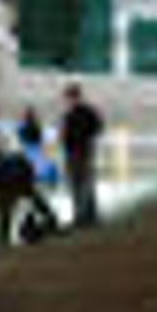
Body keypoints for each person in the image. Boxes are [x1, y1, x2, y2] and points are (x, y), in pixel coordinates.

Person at [59, 82, 105, 229]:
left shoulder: (70, 115)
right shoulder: (89, 112)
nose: (67, 101)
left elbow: (65, 137)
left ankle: (80, 216)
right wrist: (88, 138)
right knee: (86, 184)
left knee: (78, 185)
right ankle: (90, 216)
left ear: (72, 97)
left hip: (76, 153)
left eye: (68, 97)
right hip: (85, 151)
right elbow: (99, 128)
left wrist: (73, 141)